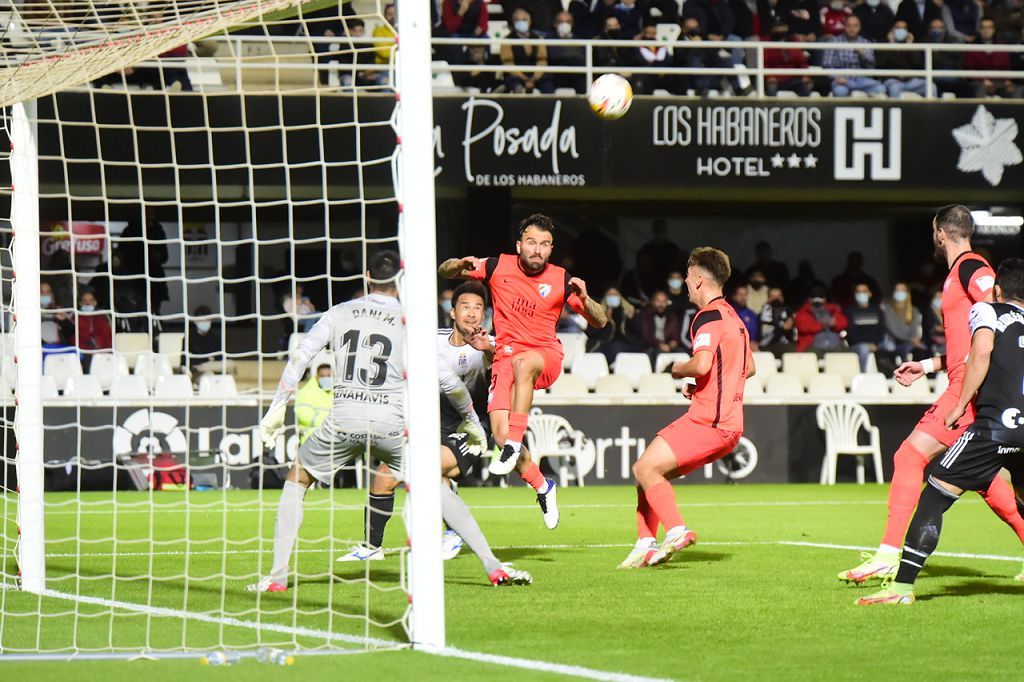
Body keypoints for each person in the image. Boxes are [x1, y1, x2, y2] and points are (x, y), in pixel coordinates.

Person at [248, 251, 531, 592]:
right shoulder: (410, 322)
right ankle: (493, 566)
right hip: (391, 422)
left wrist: (277, 406)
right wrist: (471, 419)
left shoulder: (339, 312)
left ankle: (278, 577)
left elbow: (301, 355)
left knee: (297, 479)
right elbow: (447, 381)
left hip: (344, 417)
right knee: (432, 484)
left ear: (367, 275)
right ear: (400, 280)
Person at [838, 205, 1024, 585]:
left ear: (940, 232)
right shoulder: (962, 271)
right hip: (964, 378)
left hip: (970, 388)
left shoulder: (974, 269)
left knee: (910, 454)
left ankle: (890, 554)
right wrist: (927, 365)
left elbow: (999, 325)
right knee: (984, 478)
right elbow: (967, 341)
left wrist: (965, 390)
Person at [438, 214, 608, 518]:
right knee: (500, 435)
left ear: (551, 249)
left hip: (544, 357)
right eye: (531, 242)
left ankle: (515, 443)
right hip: (504, 360)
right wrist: (458, 264)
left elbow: (600, 320)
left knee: (524, 364)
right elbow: (445, 270)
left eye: (544, 244)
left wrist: (586, 298)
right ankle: (543, 486)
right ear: (519, 245)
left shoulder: (561, 279)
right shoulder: (496, 266)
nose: (537, 249)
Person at [338, 281, 496, 563]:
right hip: (430, 425)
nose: (471, 314)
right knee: (384, 477)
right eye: (465, 307)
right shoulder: (431, 340)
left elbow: (499, 369)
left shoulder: (488, 347)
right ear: (452, 312)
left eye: (478, 308)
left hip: (471, 430)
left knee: (419, 468)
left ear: (484, 315)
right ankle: (371, 547)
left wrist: (489, 351)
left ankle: (453, 530)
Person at [619, 247, 754, 569]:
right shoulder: (735, 319)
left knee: (644, 469)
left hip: (709, 421)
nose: (683, 280)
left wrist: (678, 369)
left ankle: (677, 530)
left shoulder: (707, 316)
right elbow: (748, 368)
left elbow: (703, 363)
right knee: (649, 472)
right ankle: (644, 544)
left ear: (698, 280)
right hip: (729, 425)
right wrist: (705, 384)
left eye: (687, 274)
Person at [824, 16, 886, 97]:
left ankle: (866, 108)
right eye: (849, 25)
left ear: (859, 27)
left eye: (855, 26)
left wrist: (863, 54)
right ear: (844, 26)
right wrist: (837, 77)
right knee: (840, 91)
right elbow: (827, 65)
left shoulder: (865, 42)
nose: (852, 29)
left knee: (881, 89)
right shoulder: (834, 41)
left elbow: (871, 66)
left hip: (860, 79)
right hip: (841, 79)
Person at [500, 9, 553, 93]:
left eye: (524, 20)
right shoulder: (506, 40)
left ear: (530, 21)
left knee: (548, 85)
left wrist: (534, 77)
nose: (521, 22)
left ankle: (550, 105)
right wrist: (524, 78)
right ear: (513, 23)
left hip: (536, 75)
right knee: (513, 84)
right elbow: (508, 63)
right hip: (516, 76)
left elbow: (542, 60)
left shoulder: (539, 39)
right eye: (518, 20)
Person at [587, 286, 645, 362]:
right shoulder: (597, 311)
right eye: (610, 294)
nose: (613, 297)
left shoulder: (627, 309)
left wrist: (632, 318)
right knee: (616, 347)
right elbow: (591, 333)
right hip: (604, 345)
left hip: (626, 344)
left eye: (615, 294)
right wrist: (604, 320)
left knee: (644, 348)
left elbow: (639, 331)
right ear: (605, 296)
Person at [878, 20, 931, 98]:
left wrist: (910, 46)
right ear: (892, 29)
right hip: (892, 80)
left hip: (909, 81)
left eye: (904, 28)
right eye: (898, 28)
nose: (901, 30)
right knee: (894, 88)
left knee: (931, 86)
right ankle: (895, 110)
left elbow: (918, 63)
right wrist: (891, 44)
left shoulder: (910, 45)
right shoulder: (884, 44)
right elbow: (880, 63)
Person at [844, 282, 885, 372]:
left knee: (889, 345)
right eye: (858, 292)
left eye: (864, 291)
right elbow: (851, 334)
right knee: (863, 348)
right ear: (855, 295)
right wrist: (869, 344)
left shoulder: (877, 310)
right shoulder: (850, 311)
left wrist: (876, 343)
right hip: (857, 345)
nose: (861, 294)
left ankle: (890, 375)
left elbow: (881, 330)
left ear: (869, 293)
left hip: (876, 343)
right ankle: (862, 376)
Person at [794, 285, 848, 353]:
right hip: (812, 347)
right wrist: (821, 325)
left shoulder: (833, 309)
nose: (817, 300)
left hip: (835, 345)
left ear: (825, 299)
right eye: (814, 297)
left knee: (849, 355)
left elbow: (844, 322)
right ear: (809, 299)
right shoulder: (803, 311)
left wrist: (834, 323)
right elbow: (802, 327)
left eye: (820, 297)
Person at [881, 282, 925, 361]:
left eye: (902, 290)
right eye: (897, 290)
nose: (899, 292)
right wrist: (911, 339)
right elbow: (893, 329)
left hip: (909, 342)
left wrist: (913, 339)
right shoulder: (888, 309)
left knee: (923, 349)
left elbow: (915, 329)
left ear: (907, 293)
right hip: (894, 342)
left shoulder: (914, 310)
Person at [294, 360, 333, 444]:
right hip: (311, 441)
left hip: (333, 442)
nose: (326, 378)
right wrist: (330, 420)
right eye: (322, 376)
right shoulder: (305, 392)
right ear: (316, 377)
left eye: (329, 376)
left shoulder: (339, 392)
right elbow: (303, 415)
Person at [639, 290, 682, 357]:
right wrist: (659, 344)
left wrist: (674, 342)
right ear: (652, 302)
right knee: (659, 353)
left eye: (664, 301)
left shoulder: (672, 316)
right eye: (658, 301)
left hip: (667, 346)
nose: (661, 304)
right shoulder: (645, 315)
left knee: (682, 353)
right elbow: (646, 335)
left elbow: (675, 334)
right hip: (650, 346)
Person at [758, 286, 796, 357]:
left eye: (779, 296)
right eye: (773, 296)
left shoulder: (789, 312)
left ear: (782, 298)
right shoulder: (764, 311)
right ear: (768, 298)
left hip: (786, 346)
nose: (776, 299)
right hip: (767, 346)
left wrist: (788, 328)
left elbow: (792, 333)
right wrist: (783, 327)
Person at [186, 304, 222, 371]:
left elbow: (219, 357)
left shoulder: (215, 337)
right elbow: (186, 359)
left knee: (230, 364)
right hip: (196, 370)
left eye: (208, 320)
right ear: (195, 321)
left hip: (213, 367)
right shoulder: (189, 338)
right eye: (202, 320)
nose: (205, 323)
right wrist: (208, 359)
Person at [75, 289, 112, 355]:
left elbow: (108, 336)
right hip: (83, 353)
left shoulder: (102, 316)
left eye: (91, 300)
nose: (88, 303)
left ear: (95, 302)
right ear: (80, 303)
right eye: (84, 300)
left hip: (103, 351)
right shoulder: (75, 317)